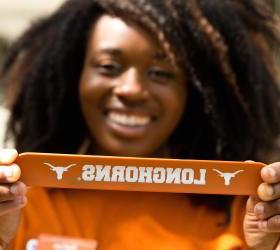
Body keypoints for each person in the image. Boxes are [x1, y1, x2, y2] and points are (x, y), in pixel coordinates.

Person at [0, 0, 280, 249]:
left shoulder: (251, 219)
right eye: (108, 67)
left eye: (160, 73)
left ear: (193, 93)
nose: (131, 90)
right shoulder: (18, 207)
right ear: (73, 74)